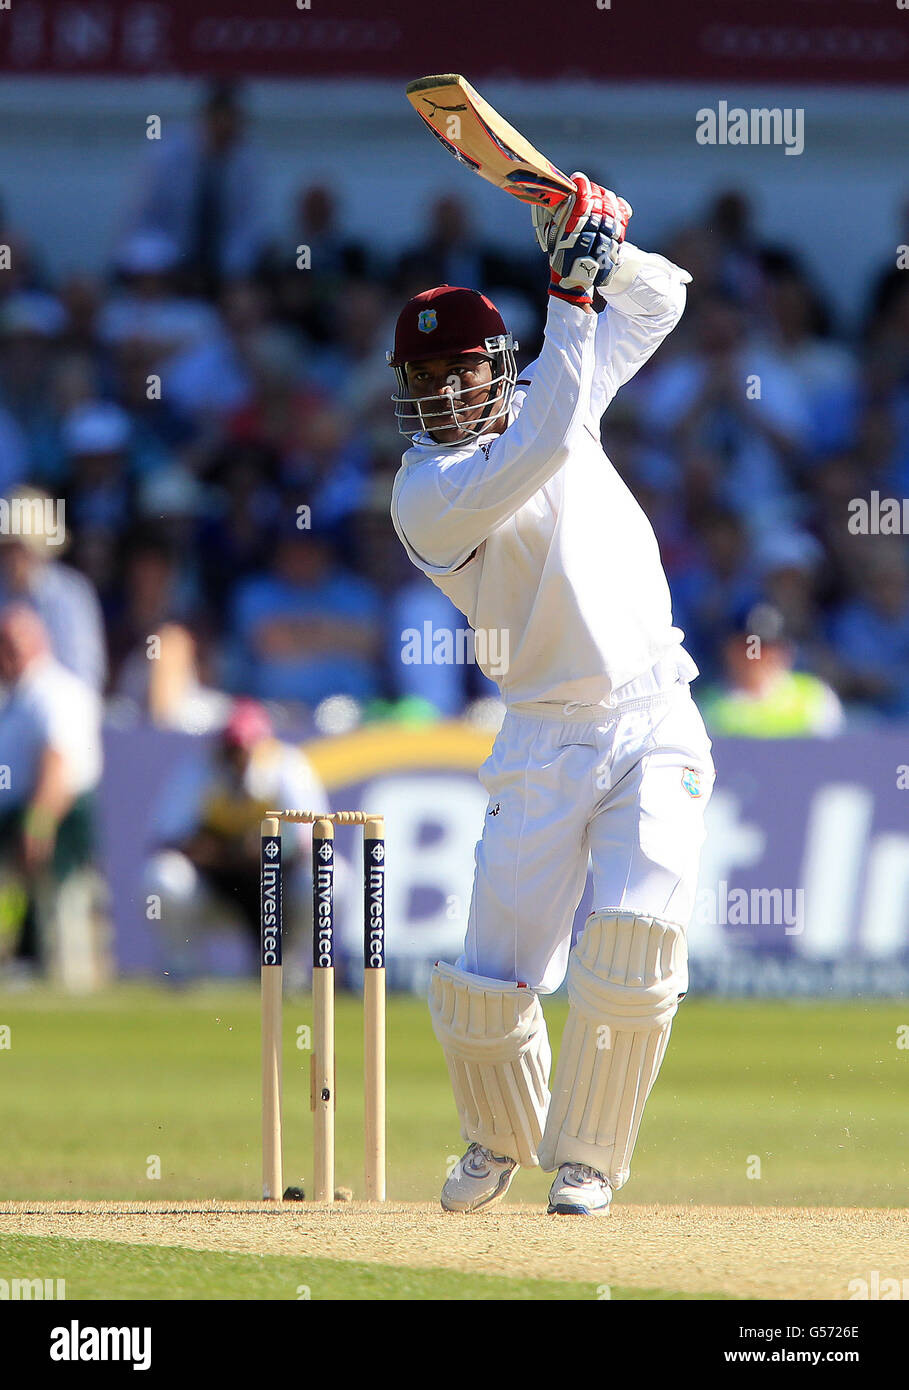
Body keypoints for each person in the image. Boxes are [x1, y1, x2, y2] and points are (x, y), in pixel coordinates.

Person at [388, 176, 715, 1216]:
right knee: (492, 978)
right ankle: (495, 1138)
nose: (445, 394)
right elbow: (548, 440)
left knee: (630, 945)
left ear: (499, 363)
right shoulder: (426, 494)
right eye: (425, 377)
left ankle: (588, 1159)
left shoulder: (550, 386)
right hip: (541, 736)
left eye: (461, 369)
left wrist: (601, 254)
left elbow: (661, 303)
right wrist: (569, 295)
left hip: (655, 711)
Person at [145, 698, 325, 979]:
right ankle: (182, 967)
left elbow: (314, 843)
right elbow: (166, 840)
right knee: (163, 876)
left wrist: (266, 852)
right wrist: (228, 853)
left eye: (245, 748)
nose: (238, 757)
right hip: (215, 889)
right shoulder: (199, 770)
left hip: (276, 890)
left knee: (326, 876)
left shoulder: (288, 768)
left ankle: (290, 966)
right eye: (232, 748)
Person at [0, 605, 105, 988]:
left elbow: (58, 761)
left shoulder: (55, 691)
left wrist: (39, 821)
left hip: (56, 816)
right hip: (17, 818)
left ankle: (71, 986)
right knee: (15, 903)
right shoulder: (16, 694)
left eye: (13, 646)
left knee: (62, 905)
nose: (5, 655)